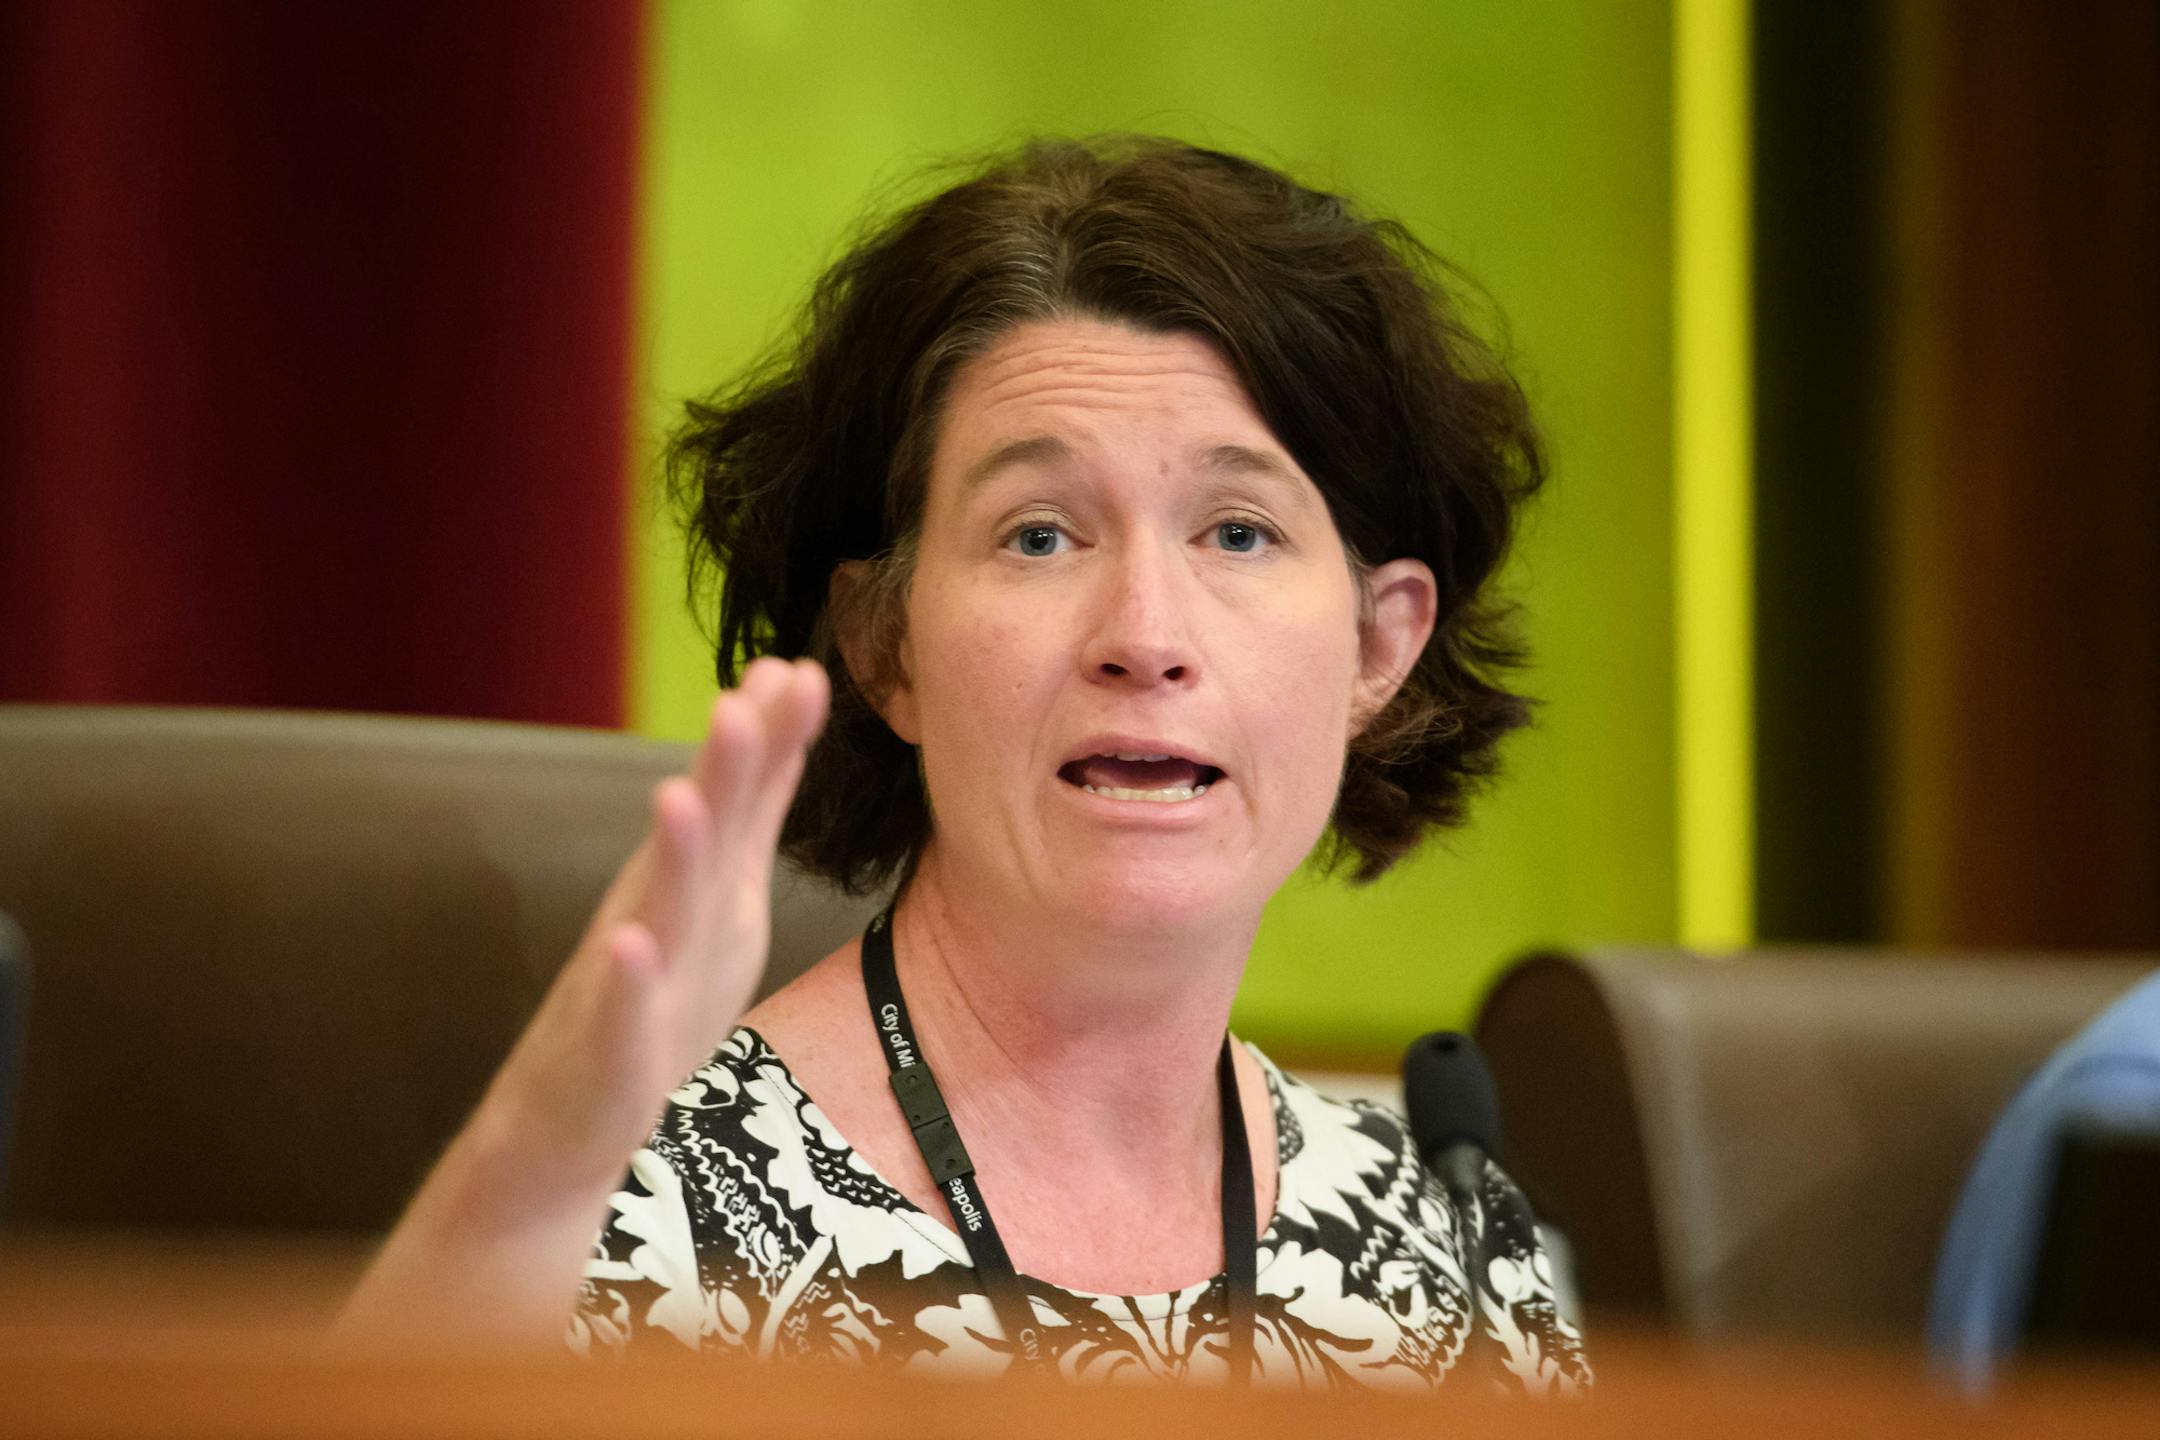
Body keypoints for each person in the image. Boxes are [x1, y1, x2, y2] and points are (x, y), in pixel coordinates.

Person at [344, 136, 1590, 1393]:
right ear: (884, 646)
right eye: (1039, 535)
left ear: (1379, 646)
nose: (1145, 635)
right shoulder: (638, 1217)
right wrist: (528, 1189)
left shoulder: (1450, 1250)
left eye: (1238, 532)